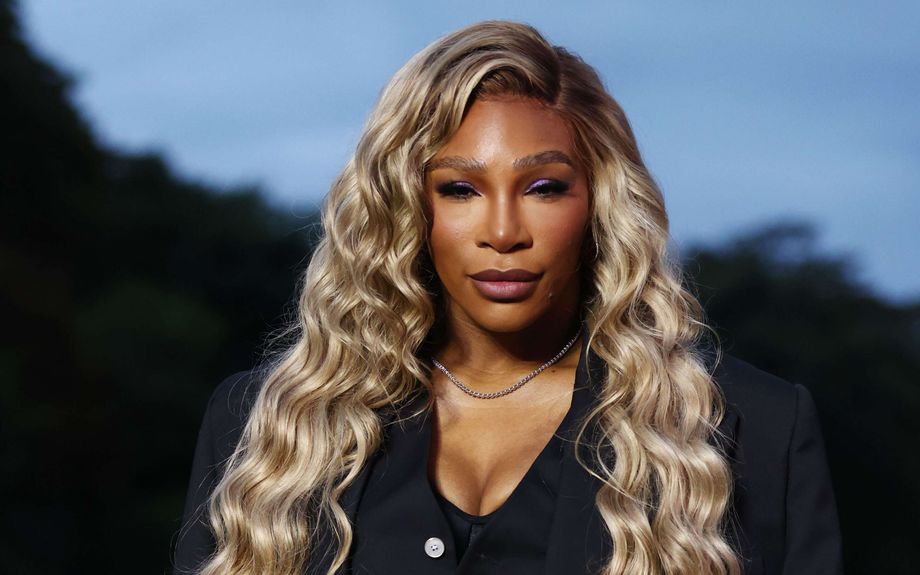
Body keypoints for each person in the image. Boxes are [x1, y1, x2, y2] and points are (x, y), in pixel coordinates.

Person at [173, 21, 842, 575]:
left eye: (544, 188)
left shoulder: (752, 429)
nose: (502, 232)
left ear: (599, 204)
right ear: (406, 205)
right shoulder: (268, 428)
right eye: (460, 189)